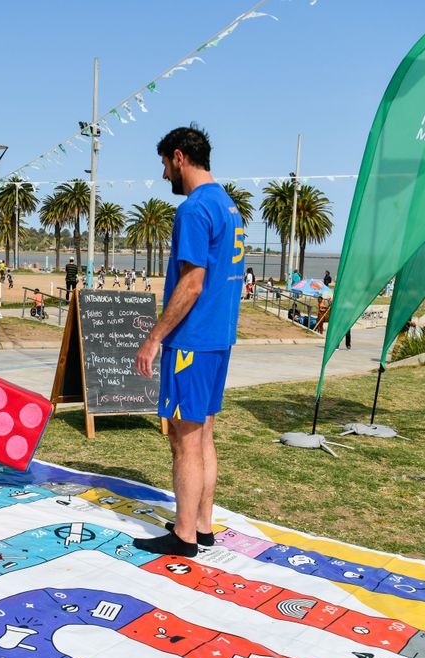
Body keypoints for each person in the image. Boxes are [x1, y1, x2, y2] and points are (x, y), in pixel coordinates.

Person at [134, 125, 244, 558]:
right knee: (204, 434)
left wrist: (153, 338)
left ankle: (184, 536)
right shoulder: (228, 205)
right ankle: (201, 523)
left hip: (192, 342)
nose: (164, 176)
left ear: (179, 157)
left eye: (164, 164)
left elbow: (192, 283)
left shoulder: (195, 209)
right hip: (218, 339)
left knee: (184, 439)